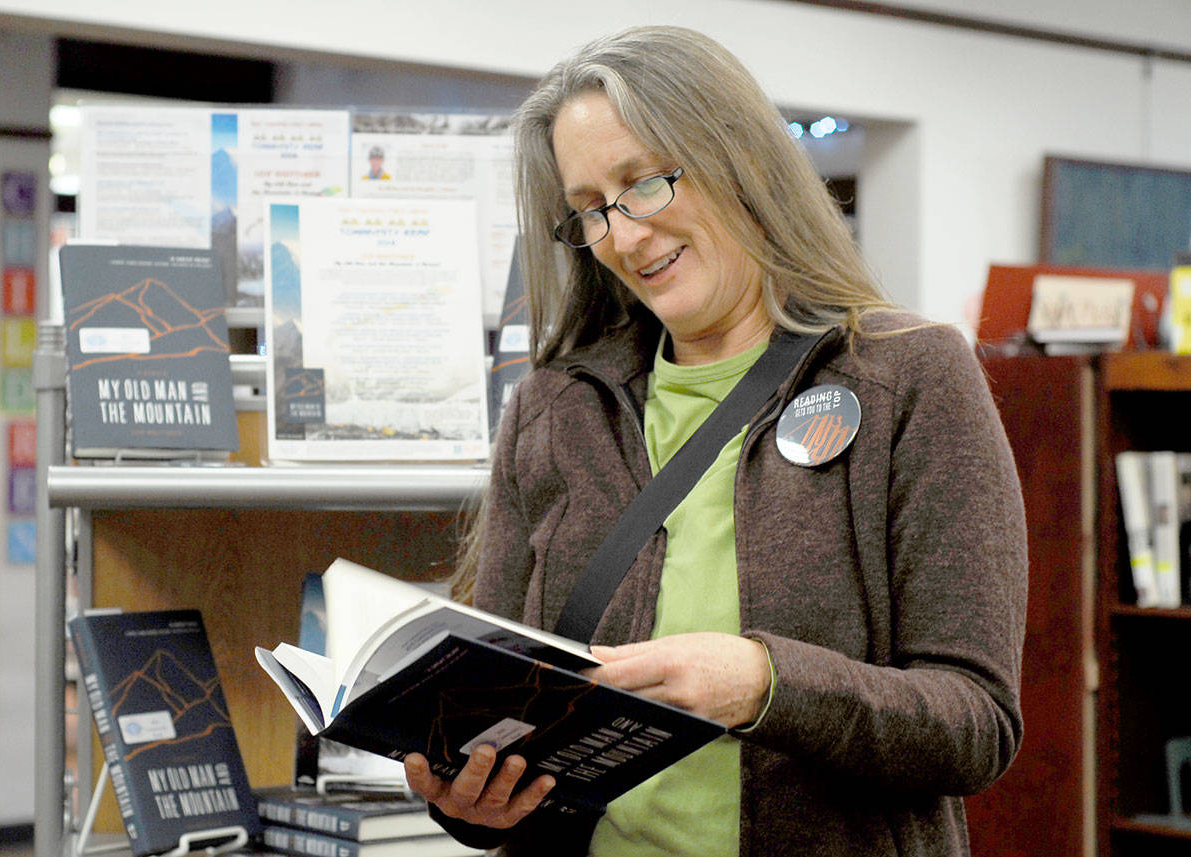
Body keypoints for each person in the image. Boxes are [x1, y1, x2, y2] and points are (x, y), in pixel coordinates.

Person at [404, 24, 1027, 857]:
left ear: (738, 160)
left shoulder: (908, 377)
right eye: (590, 211)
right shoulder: (552, 409)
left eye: (644, 184)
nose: (623, 238)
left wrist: (765, 684)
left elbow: (975, 722)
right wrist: (469, 799)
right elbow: (499, 713)